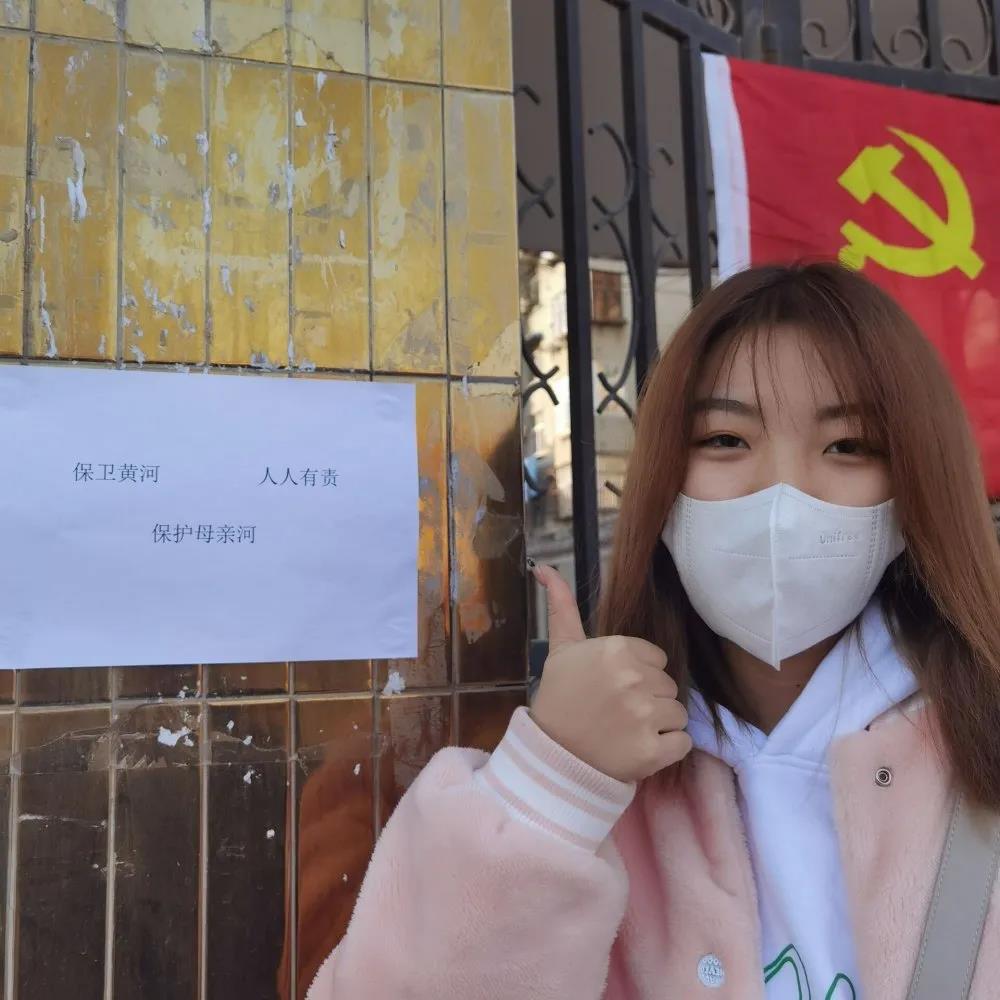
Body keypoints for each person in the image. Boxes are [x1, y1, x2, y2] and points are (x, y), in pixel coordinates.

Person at [304, 262, 1000, 999]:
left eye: (848, 446)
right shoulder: (570, 766)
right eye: (726, 439)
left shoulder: (977, 743)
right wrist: (552, 787)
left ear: (915, 485)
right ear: (662, 480)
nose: (781, 492)